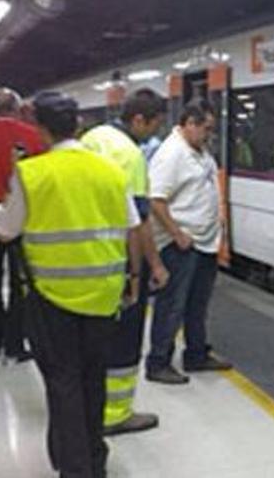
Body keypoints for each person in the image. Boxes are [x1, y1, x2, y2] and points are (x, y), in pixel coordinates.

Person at [0, 91, 143, 478]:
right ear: (77, 125)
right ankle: (95, 460)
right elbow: (132, 228)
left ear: (40, 129)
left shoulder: (32, 173)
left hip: (51, 299)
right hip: (104, 296)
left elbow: (5, 231)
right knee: (94, 380)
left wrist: (5, 197)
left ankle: (76, 470)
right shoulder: (112, 171)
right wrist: (135, 279)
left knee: (63, 385)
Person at [80, 88, 171, 435]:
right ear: (138, 119)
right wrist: (147, 269)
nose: (154, 133)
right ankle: (116, 413)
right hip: (118, 256)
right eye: (154, 125)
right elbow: (138, 223)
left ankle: (91, 407)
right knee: (125, 336)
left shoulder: (92, 137)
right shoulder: (130, 155)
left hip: (88, 253)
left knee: (94, 338)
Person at [145, 99, 231, 384]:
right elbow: (156, 199)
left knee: (197, 304)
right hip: (180, 245)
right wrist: (176, 234)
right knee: (172, 305)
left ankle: (196, 354)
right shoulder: (171, 154)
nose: (210, 134)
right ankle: (158, 362)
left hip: (204, 242)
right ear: (190, 124)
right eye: (206, 128)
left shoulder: (200, 151)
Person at [0, 87, 44, 364]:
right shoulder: (31, 136)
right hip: (21, 209)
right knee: (20, 280)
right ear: (16, 108)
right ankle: (16, 342)